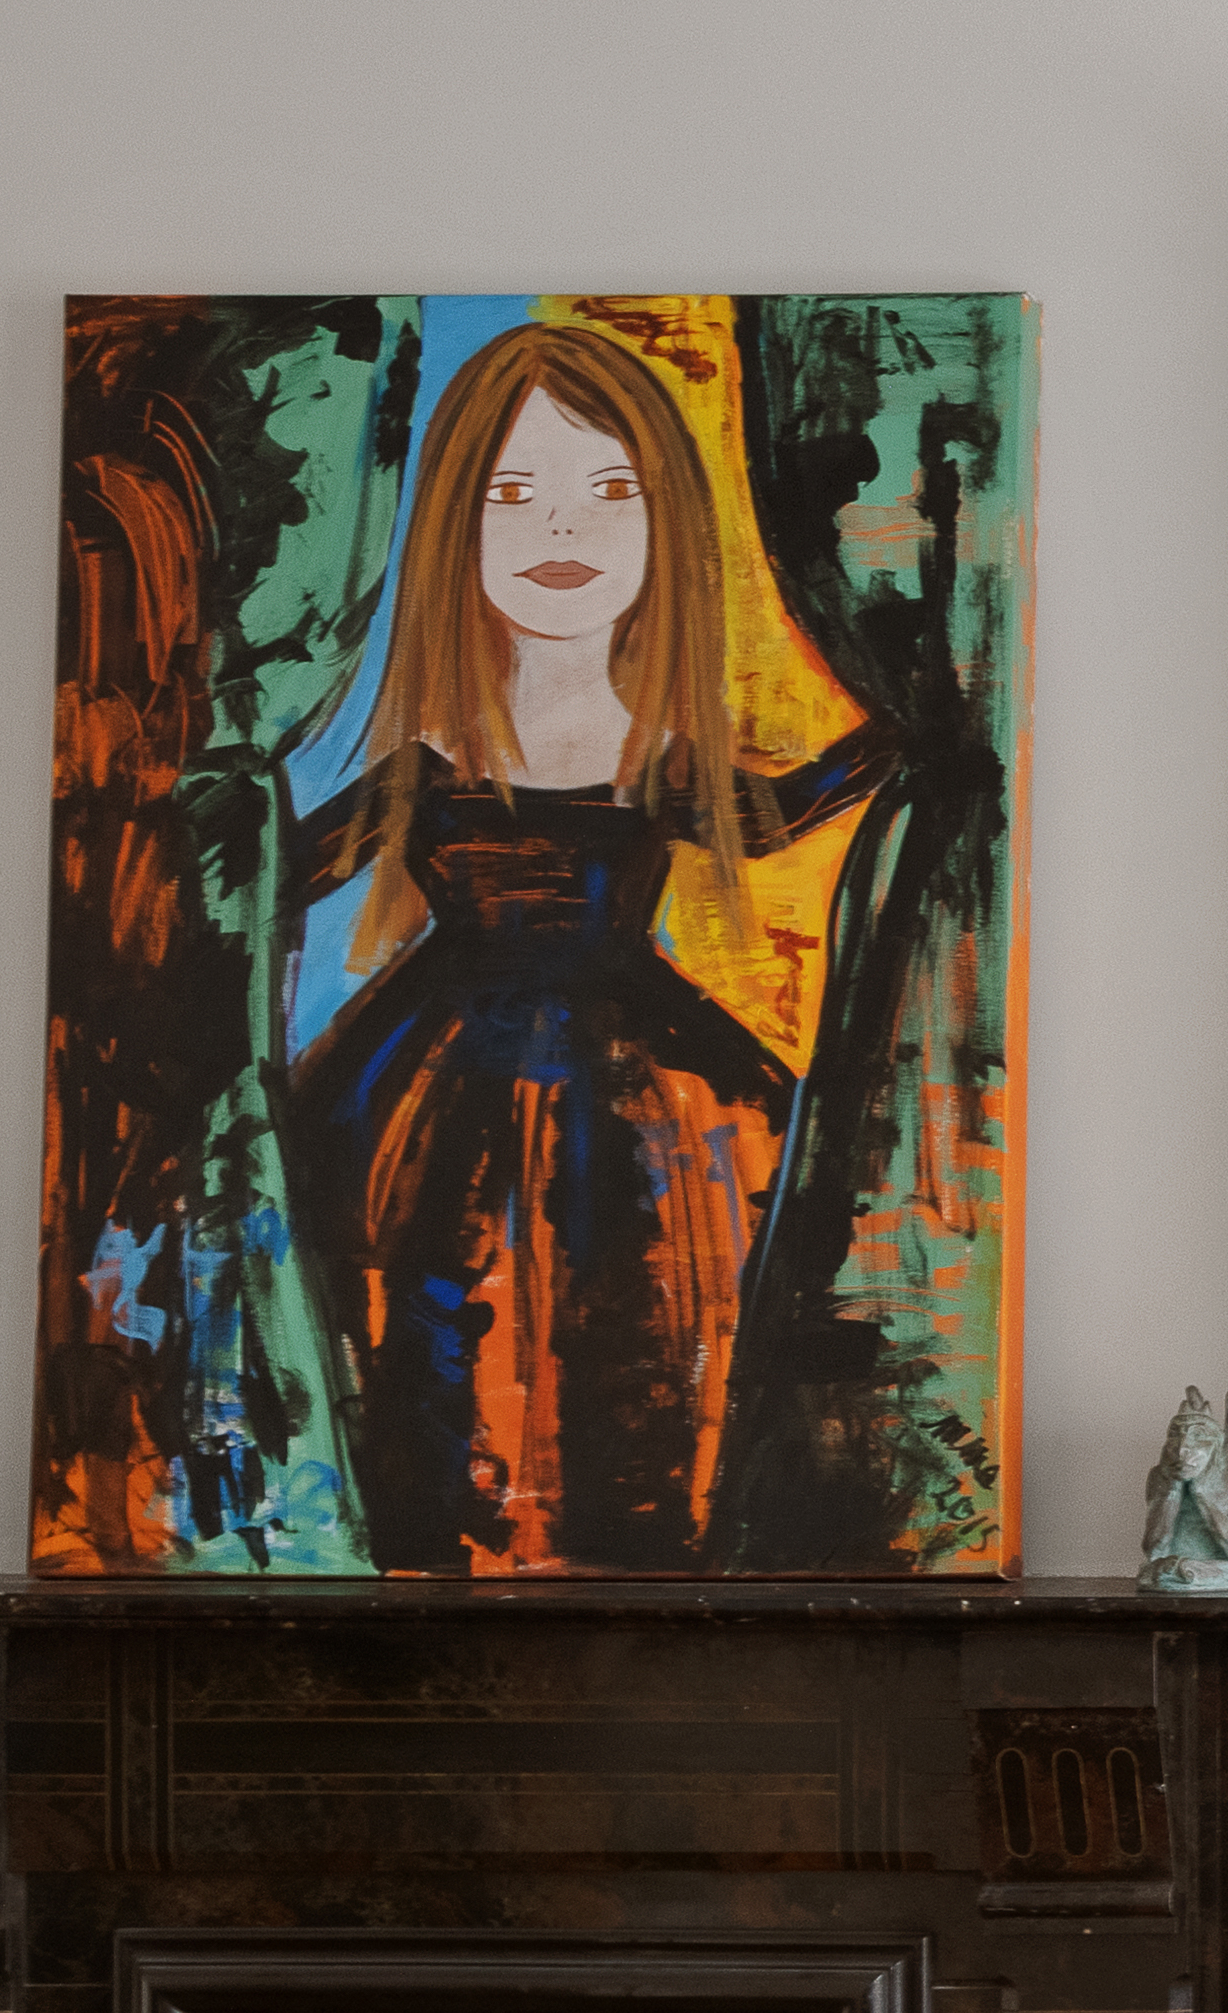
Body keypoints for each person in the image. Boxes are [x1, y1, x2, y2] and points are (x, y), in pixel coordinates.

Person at [280, 322, 891, 1570]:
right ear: (454, 525)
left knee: (644, 1317)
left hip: (642, 1094)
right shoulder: (432, 762)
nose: (563, 532)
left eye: (610, 493)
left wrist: (906, 737)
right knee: (439, 1321)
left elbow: (778, 813)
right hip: (427, 1085)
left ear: (668, 528)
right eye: (514, 495)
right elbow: (283, 872)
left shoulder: (661, 759)